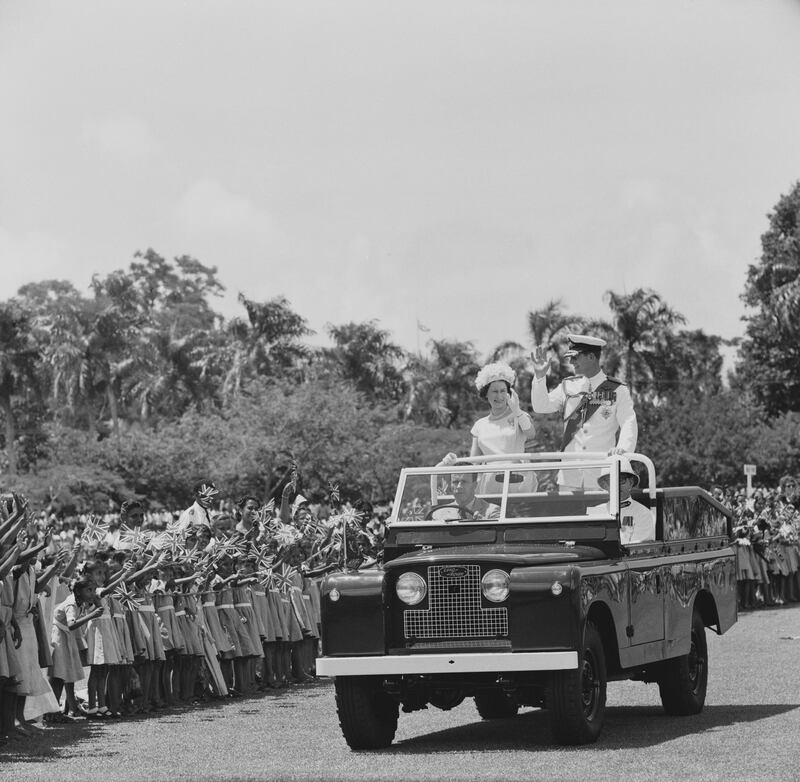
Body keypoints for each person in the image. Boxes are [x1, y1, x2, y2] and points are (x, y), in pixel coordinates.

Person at [530, 334, 637, 490]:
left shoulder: (618, 390)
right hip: (569, 477)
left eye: (575, 357)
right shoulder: (568, 386)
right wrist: (540, 376)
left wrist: (622, 451)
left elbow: (629, 422)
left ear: (592, 357)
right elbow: (540, 406)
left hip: (602, 476)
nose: (571, 362)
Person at [589, 458, 655, 545]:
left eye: (621, 480)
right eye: (611, 481)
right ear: (605, 486)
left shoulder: (643, 513)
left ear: (630, 483)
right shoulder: (595, 512)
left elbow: (638, 550)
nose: (616, 485)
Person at [430, 473, 501, 522]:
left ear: (474, 485)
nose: (459, 486)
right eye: (455, 482)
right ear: (450, 486)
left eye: (464, 482)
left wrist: (483, 524)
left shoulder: (492, 511)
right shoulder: (440, 513)